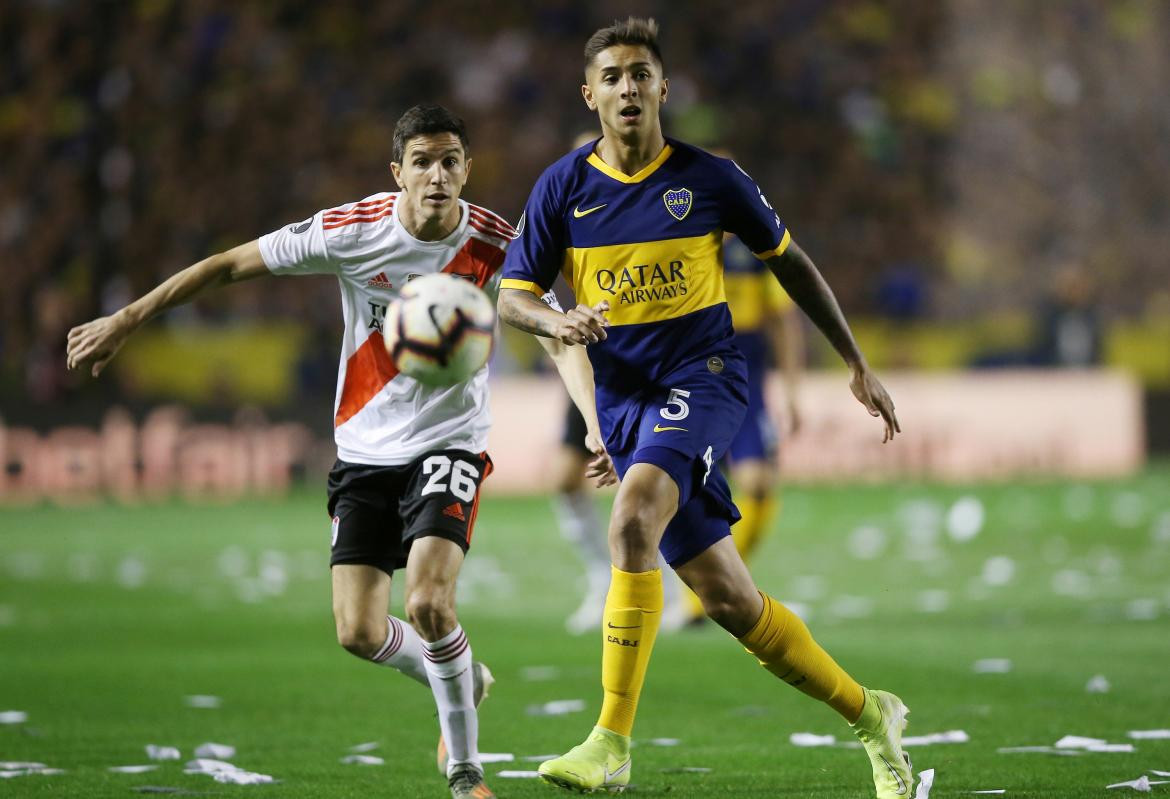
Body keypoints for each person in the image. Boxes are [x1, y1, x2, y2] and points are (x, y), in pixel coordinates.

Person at [66, 103, 607, 799]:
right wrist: (129, 315)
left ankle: (467, 771)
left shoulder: (498, 242)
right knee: (356, 629)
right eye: (422, 162)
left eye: (450, 162)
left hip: (451, 443)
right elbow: (232, 265)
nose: (437, 175)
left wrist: (593, 423)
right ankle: (462, 673)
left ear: (468, 169)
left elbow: (556, 332)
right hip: (364, 450)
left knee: (431, 604)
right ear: (398, 172)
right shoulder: (354, 231)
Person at [497, 18, 910, 799]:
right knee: (729, 599)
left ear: (662, 87)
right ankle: (871, 714)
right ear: (589, 95)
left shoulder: (711, 178)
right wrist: (554, 320)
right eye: (612, 76)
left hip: (705, 377)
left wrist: (853, 361)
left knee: (631, 518)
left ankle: (610, 740)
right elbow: (514, 294)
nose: (628, 86)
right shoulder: (562, 188)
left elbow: (791, 264)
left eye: (641, 73)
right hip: (625, 399)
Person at [678, 230, 805, 625]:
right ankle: (702, 588)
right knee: (685, 489)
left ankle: (715, 589)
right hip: (695, 377)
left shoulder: (754, 249)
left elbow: (783, 321)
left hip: (747, 379)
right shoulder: (680, 244)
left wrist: (791, 391)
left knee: (758, 486)